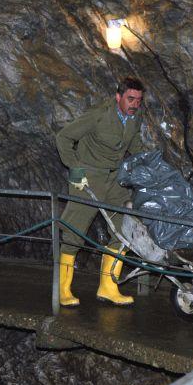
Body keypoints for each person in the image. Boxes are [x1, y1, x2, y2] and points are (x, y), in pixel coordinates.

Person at [55, 77, 146, 307]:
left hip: (114, 179)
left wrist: (148, 165)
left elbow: (135, 146)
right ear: (118, 97)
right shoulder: (99, 115)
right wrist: (75, 167)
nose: (134, 104)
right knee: (74, 232)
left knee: (123, 229)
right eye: (130, 99)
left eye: (138, 100)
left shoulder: (134, 119)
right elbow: (64, 137)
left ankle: (108, 286)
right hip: (89, 177)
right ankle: (62, 289)